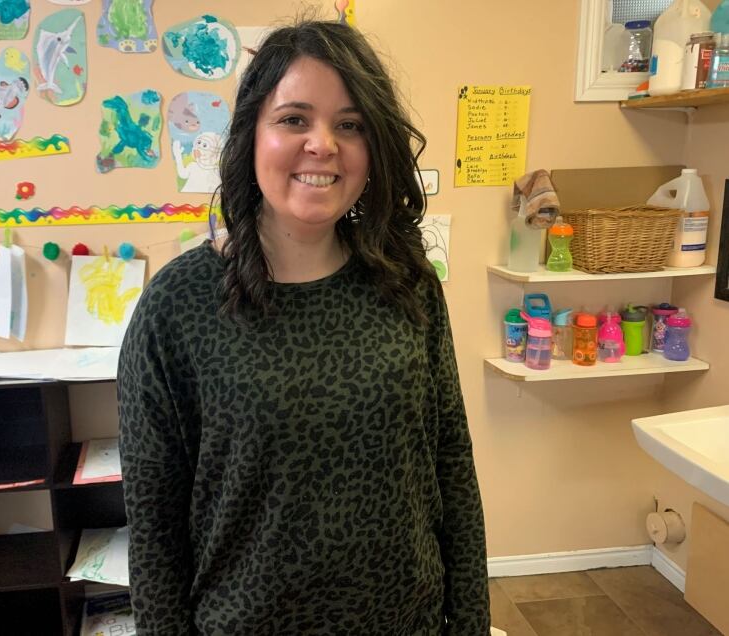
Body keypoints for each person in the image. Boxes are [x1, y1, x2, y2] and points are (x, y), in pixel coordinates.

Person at [118, 19, 490, 636]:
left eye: (350, 124)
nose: (324, 144)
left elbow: (451, 463)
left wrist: (471, 621)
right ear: (251, 136)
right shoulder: (175, 308)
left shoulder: (407, 284)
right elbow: (154, 532)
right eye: (294, 118)